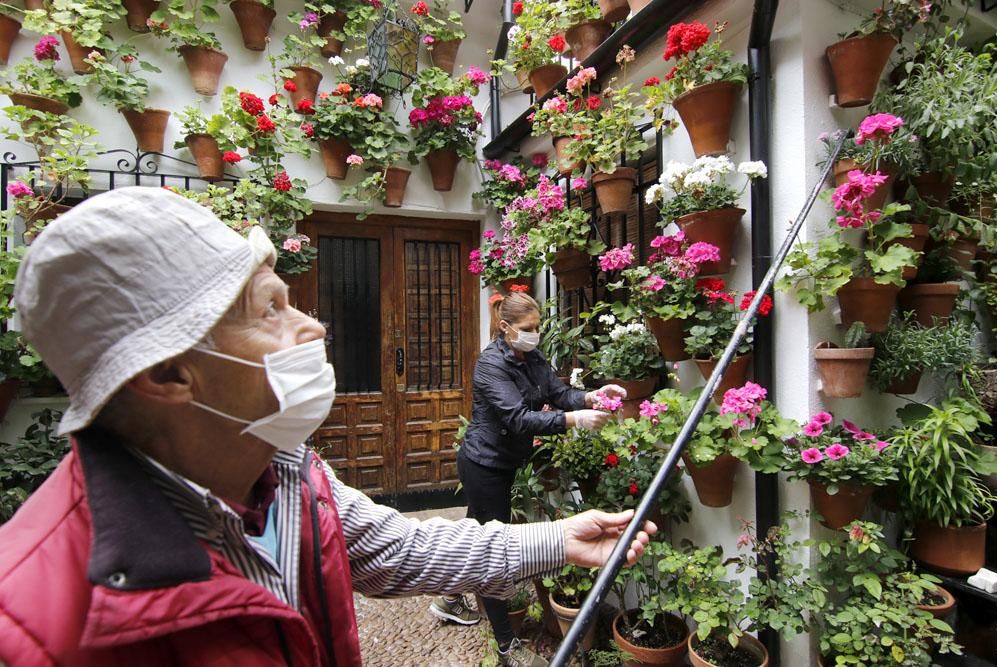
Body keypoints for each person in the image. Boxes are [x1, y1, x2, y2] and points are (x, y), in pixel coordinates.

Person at [0, 187, 655, 667]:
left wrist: (559, 538)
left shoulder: (290, 472)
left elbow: (404, 549)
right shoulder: (30, 628)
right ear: (170, 373)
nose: (313, 327)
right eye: (271, 310)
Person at [428, 291, 627, 666]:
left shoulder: (532, 357)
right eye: (527, 328)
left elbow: (558, 392)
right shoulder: (490, 365)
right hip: (484, 465)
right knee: (493, 554)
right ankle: (506, 647)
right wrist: (573, 421)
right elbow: (517, 418)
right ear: (505, 328)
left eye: (537, 327)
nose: (534, 334)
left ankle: (449, 597)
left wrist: (590, 398)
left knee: (475, 531)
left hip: (503, 463)